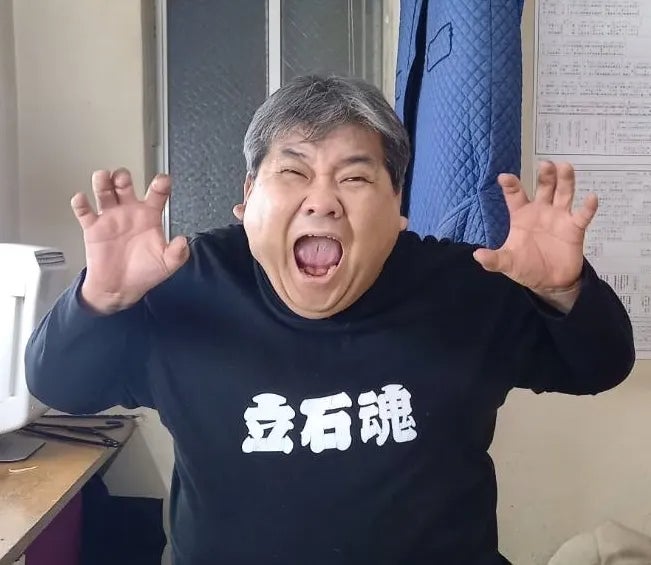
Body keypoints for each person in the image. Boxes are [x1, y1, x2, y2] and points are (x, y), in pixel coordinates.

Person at [25, 75, 635, 565]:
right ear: (247, 197)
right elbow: (62, 387)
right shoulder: (187, 284)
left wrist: (564, 289)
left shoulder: (465, 286)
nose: (322, 200)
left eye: (355, 177)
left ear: (397, 206)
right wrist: (100, 298)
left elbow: (598, 367)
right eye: (293, 172)